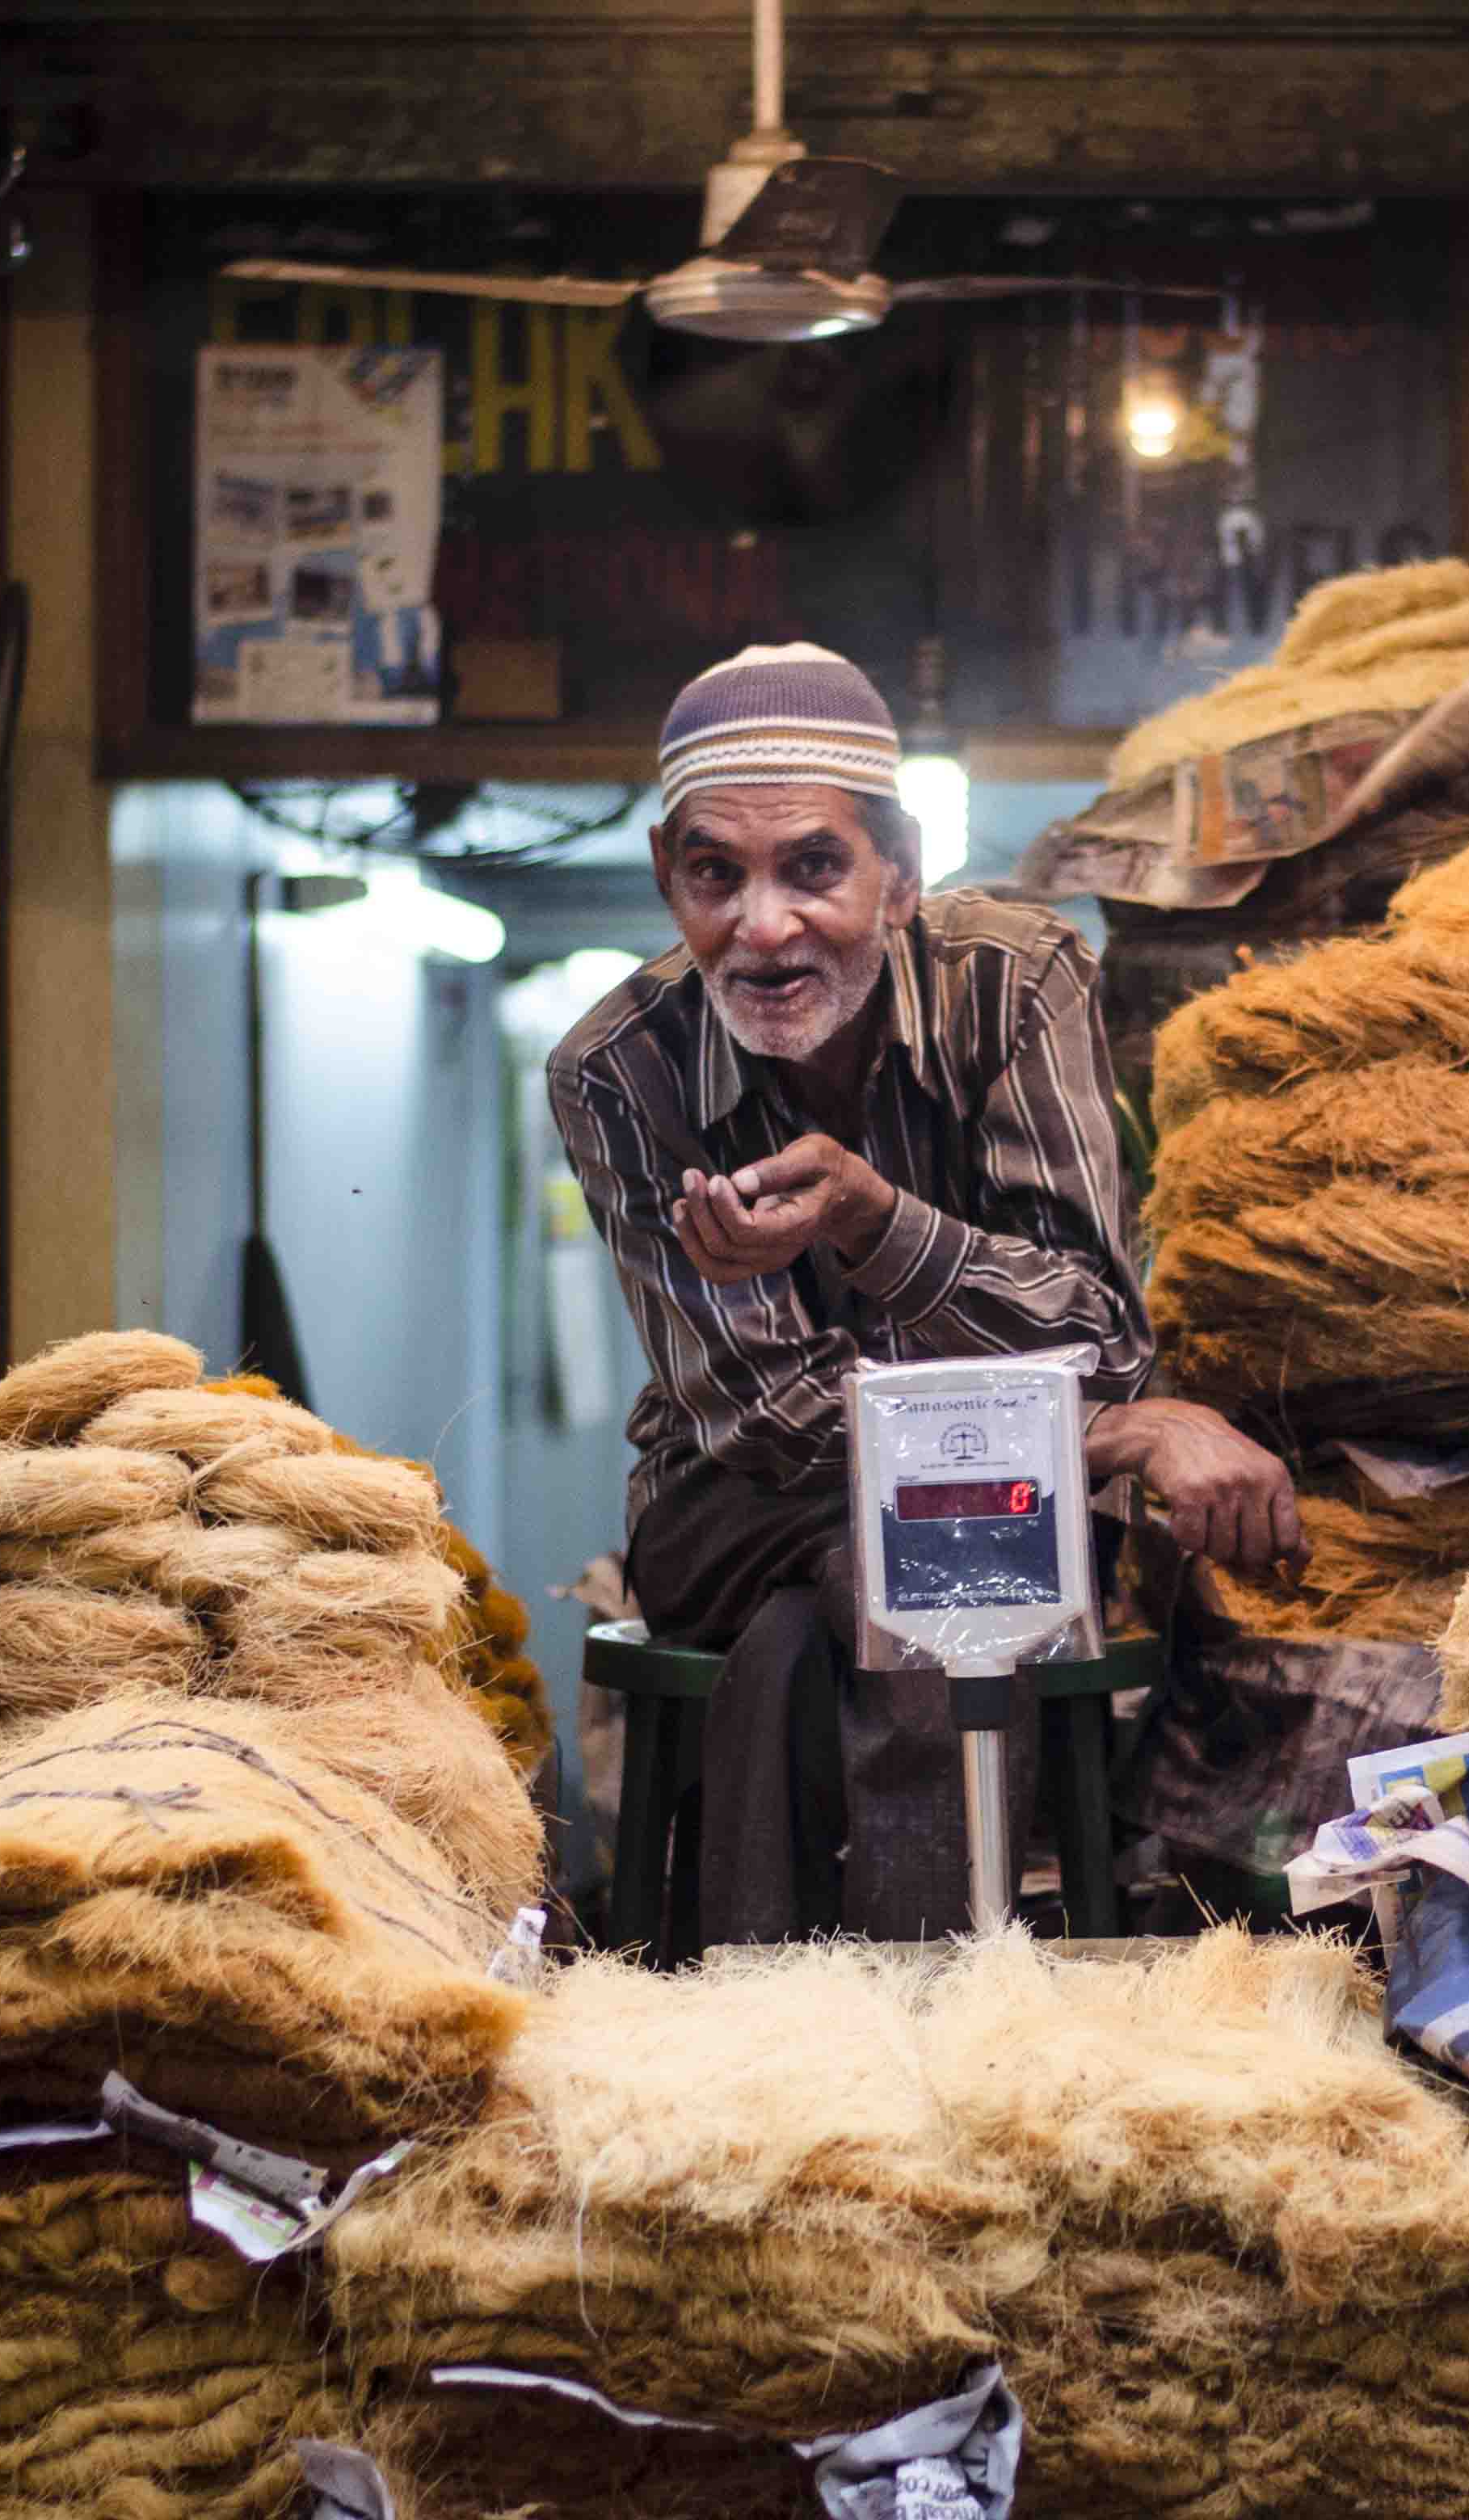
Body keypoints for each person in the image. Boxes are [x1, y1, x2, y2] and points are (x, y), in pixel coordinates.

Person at [549, 642, 1303, 1943]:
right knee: (955, 1564)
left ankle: (763, 2013)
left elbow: (1098, 1327)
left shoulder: (1017, 982)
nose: (764, 926)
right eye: (715, 874)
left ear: (901, 877)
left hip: (938, 1519)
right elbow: (770, 1418)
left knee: (821, 1631)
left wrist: (875, 1221)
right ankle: (939, 2011)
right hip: (732, 1508)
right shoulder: (621, 1068)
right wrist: (1115, 1437)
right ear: (669, 875)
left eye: (816, 868)